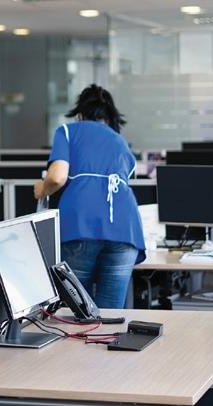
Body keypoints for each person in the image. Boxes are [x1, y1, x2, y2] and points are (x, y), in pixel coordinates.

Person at [34, 84, 145, 308]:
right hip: (126, 229)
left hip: (81, 224)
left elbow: (57, 177)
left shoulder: (68, 131)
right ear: (110, 117)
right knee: (110, 313)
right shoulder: (120, 142)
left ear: (80, 113)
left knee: (76, 311)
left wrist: (42, 189)